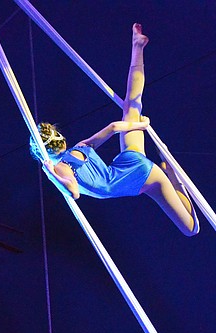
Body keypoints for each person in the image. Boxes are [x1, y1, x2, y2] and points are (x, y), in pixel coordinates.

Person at [31, 24, 199, 236]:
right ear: (60, 140)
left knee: (191, 229)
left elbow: (73, 193)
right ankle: (137, 47)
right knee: (132, 105)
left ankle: (170, 173)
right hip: (125, 162)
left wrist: (50, 174)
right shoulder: (80, 146)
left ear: (42, 154)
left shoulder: (61, 169)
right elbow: (113, 127)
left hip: (140, 175)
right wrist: (139, 125)